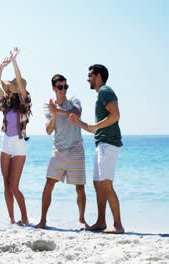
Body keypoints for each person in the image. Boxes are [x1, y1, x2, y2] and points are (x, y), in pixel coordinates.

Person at [69, 64, 125, 234]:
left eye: (90, 75)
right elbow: (94, 128)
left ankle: (118, 225)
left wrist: (94, 126)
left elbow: (115, 115)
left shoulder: (105, 91)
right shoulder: (101, 94)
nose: (88, 79)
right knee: (98, 184)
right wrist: (79, 123)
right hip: (101, 143)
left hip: (109, 144)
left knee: (106, 185)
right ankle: (101, 222)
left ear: (99, 76)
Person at [35, 74, 87, 229]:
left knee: (80, 187)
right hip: (58, 150)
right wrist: (53, 114)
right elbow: (48, 131)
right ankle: (43, 221)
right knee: (49, 183)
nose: (63, 90)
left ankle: (82, 220)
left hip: (76, 148)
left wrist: (57, 111)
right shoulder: (49, 106)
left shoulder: (74, 101)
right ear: (54, 88)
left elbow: (76, 115)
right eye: (60, 87)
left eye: (65, 86)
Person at [0, 47, 31, 225]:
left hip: (19, 145)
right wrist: (1, 66)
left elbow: (22, 87)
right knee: (6, 185)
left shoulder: (24, 101)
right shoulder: (6, 103)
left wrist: (14, 61)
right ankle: (11, 218)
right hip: (5, 143)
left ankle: (24, 217)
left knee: (14, 186)